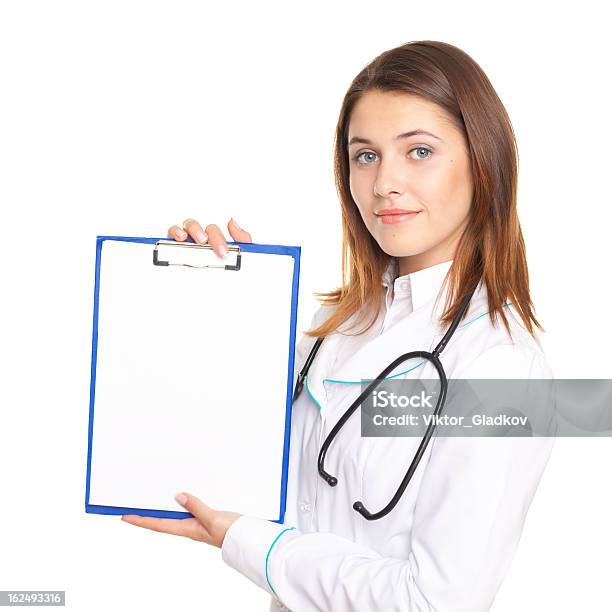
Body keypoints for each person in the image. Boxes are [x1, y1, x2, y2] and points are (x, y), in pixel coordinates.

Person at [122, 40, 556, 611]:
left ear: (484, 162)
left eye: (419, 151)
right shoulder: (332, 327)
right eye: (365, 155)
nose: (384, 184)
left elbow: (433, 603)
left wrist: (252, 545)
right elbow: (228, 450)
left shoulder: (504, 370)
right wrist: (226, 310)